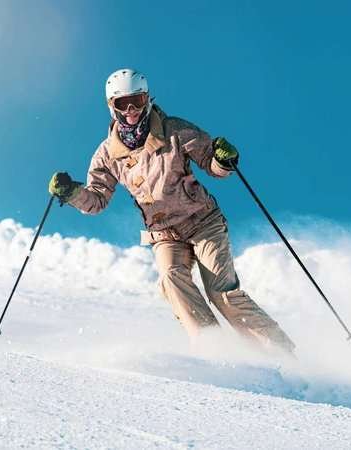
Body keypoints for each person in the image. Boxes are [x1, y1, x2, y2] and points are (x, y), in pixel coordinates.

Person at [48, 68, 295, 354]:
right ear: (111, 106)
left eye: (137, 101)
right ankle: (215, 348)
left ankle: (280, 351)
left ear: (147, 99)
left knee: (221, 293)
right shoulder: (107, 155)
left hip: (203, 222)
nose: (131, 111)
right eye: (122, 104)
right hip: (164, 234)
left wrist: (223, 160)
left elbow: (210, 162)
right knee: (171, 279)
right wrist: (72, 193)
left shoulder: (174, 130)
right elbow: (97, 200)